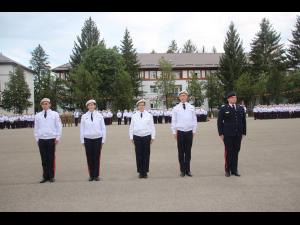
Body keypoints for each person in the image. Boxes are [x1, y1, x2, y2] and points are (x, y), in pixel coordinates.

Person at [217, 91, 246, 177]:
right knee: (228, 152)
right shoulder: (223, 109)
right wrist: (221, 133)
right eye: (233, 97)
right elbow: (219, 122)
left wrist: (244, 132)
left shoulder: (240, 108)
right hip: (228, 134)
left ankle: (234, 170)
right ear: (228, 99)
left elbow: (243, 121)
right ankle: (227, 170)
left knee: (236, 151)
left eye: (235, 97)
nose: (234, 99)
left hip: (238, 134)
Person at [34, 98, 62, 183]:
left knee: (51, 158)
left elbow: (59, 126)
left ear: (50, 105)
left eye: (46, 103)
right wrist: (37, 139)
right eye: (43, 104)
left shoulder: (55, 114)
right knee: (44, 159)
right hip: (41, 139)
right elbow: (36, 128)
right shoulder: (38, 115)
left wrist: (57, 137)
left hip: (51, 138)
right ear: (41, 105)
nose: (45, 105)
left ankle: (51, 176)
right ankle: (45, 176)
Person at [171, 90, 197, 177]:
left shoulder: (191, 107)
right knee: (181, 152)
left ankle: (188, 170)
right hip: (180, 132)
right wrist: (174, 132)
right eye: (181, 96)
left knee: (188, 151)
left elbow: (194, 120)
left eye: (184, 96)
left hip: (189, 132)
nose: (183, 97)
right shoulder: (176, 108)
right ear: (179, 97)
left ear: (187, 97)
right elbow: (173, 121)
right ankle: (182, 170)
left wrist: (194, 131)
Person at [80, 99, 106, 181]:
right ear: (87, 107)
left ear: (95, 106)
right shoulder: (84, 116)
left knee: (97, 157)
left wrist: (103, 140)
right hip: (88, 139)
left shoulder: (99, 115)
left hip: (98, 139)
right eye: (89, 105)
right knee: (89, 157)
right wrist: (82, 140)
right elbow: (82, 129)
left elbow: (103, 128)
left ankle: (96, 175)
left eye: (92, 105)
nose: (91, 106)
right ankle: (91, 175)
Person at [129, 99, 155, 179]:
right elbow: (131, 127)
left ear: (144, 106)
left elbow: (152, 126)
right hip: (137, 136)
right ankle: (140, 172)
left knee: (146, 154)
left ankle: (145, 172)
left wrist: (153, 137)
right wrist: (131, 137)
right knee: (139, 154)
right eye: (140, 105)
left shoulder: (149, 115)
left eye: (143, 105)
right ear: (137, 106)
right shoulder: (134, 115)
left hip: (147, 136)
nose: (141, 106)